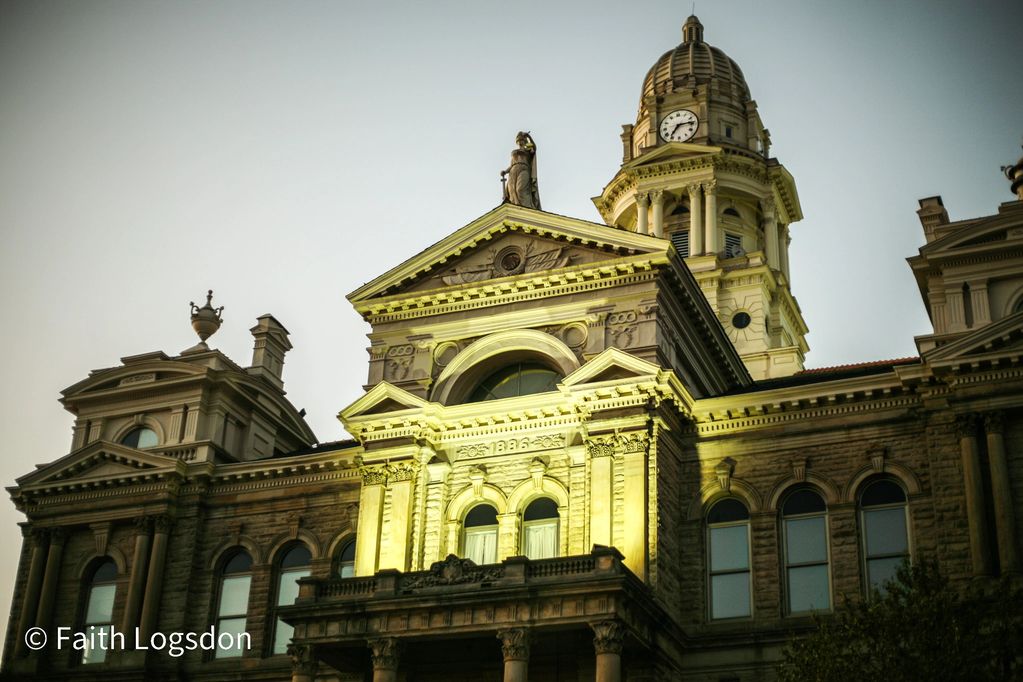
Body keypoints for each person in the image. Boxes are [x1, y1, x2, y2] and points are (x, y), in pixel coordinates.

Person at [501, 132, 541, 209]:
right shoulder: (514, 152)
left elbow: (534, 149)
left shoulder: (528, 149)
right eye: (518, 140)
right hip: (513, 170)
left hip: (524, 168)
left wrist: (529, 137)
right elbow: (512, 164)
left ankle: (528, 208)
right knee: (512, 191)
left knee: (520, 189)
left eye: (521, 140)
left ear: (524, 141)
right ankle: (515, 209)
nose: (519, 142)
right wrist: (505, 171)